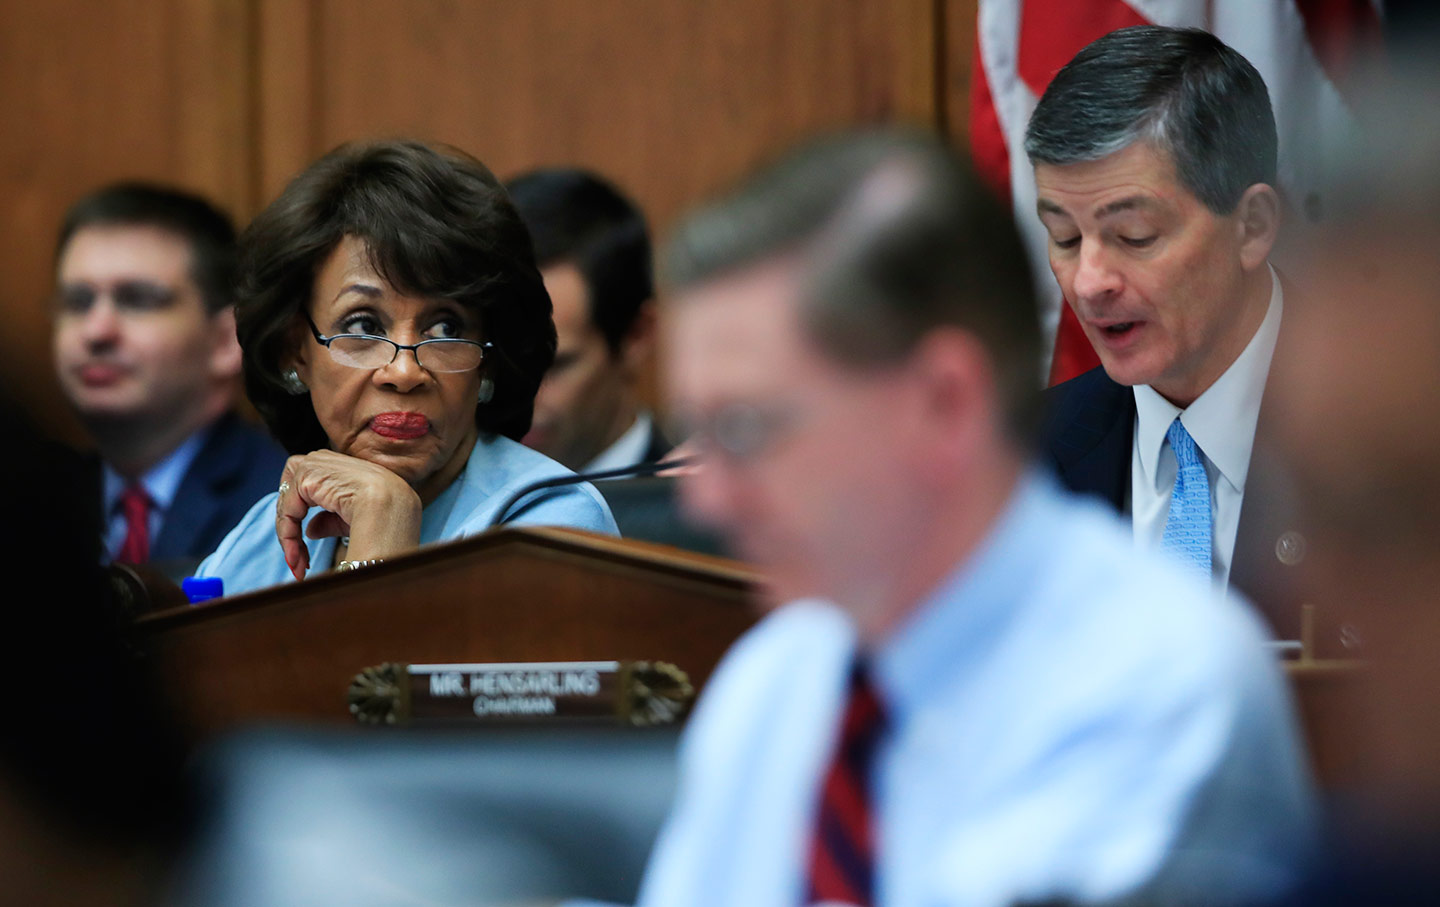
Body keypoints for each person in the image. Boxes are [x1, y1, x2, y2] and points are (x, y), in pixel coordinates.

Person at [627, 131, 1313, 907]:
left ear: (944, 403)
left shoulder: (1164, 682)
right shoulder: (773, 686)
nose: (704, 499)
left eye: (746, 431)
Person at [195, 141, 617, 597]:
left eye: (446, 327)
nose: (403, 371)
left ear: (488, 362)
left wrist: (383, 530)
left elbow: (366, 672)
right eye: (363, 324)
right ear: (294, 351)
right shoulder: (254, 544)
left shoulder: (551, 530)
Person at [1025, 27, 1300, 624]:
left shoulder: (1392, 440)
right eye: (1065, 238)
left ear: (1252, 225)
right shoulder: (1023, 461)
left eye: (1134, 236)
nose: (1089, 281)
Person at [51, 183, 288, 578]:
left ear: (226, 341)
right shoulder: (30, 498)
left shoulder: (284, 501)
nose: (96, 331)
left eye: (137, 300)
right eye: (78, 302)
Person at [506, 168, 670, 472]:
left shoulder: (700, 511)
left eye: (552, 365)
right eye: (496, 358)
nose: (515, 398)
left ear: (636, 336)